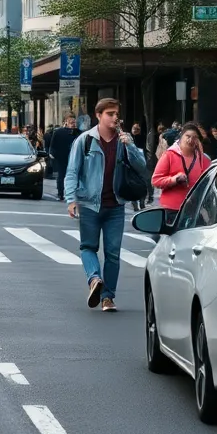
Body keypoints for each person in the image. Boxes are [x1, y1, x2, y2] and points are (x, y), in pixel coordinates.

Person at [64, 98, 146, 313]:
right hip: (90, 204)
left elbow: (141, 166)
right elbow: (72, 172)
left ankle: (108, 297)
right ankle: (94, 280)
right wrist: (71, 199)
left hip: (115, 205)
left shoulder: (123, 140)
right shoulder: (85, 141)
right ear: (98, 115)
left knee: (113, 254)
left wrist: (131, 146)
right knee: (88, 247)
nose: (114, 117)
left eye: (116, 113)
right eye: (110, 113)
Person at [151, 121, 210, 226]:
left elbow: (208, 178)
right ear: (181, 137)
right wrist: (174, 180)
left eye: (195, 138)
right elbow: (155, 181)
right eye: (188, 136)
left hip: (193, 209)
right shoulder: (169, 155)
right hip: (172, 209)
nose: (190, 140)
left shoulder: (201, 158)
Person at [47, 113, 80, 202]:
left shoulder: (78, 133)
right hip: (63, 158)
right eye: (71, 122)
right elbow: (53, 144)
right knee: (62, 176)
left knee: (73, 176)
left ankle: (68, 194)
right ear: (66, 122)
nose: (73, 124)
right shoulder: (59, 132)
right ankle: (61, 193)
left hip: (72, 158)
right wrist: (52, 153)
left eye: (74, 122)